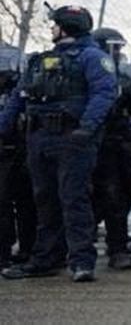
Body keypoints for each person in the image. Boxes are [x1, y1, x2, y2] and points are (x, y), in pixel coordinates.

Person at [0, 5, 117, 282]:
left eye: (55, 24)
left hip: (72, 138)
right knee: (45, 201)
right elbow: (18, 98)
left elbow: (104, 93)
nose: (51, 28)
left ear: (67, 26)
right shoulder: (40, 60)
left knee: (73, 199)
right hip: (39, 138)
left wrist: (86, 128)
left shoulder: (92, 58)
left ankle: (81, 262)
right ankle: (45, 258)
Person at [89, 27, 131, 271]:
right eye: (114, 48)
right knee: (94, 197)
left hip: (120, 144)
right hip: (95, 141)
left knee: (119, 198)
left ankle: (118, 249)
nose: (118, 53)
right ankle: (83, 246)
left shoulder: (124, 74)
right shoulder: (90, 70)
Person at [0, 44, 36, 268]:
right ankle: (6, 251)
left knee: (27, 201)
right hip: (9, 150)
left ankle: (26, 248)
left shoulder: (21, 90)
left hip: (21, 149)